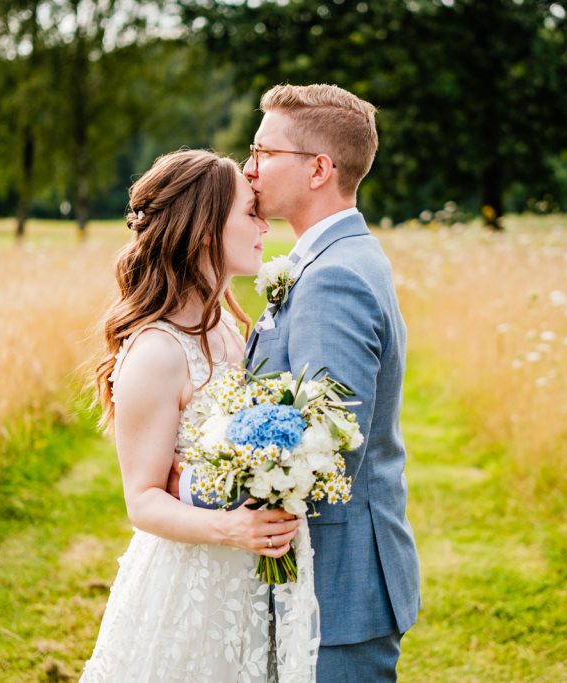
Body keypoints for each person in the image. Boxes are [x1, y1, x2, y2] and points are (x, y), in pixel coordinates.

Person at [176, 84, 421, 681]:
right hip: (327, 581)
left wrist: (190, 493)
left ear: (318, 169)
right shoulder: (331, 259)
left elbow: (326, 453)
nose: (248, 169)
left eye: (262, 151)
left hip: (338, 588)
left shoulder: (333, 278)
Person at [82, 149, 306, 681]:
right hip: (192, 587)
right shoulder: (158, 351)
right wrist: (232, 529)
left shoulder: (228, 325)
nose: (265, 225)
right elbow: (142, 501)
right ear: (205, 230)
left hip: (250, 580)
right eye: (250, 212)